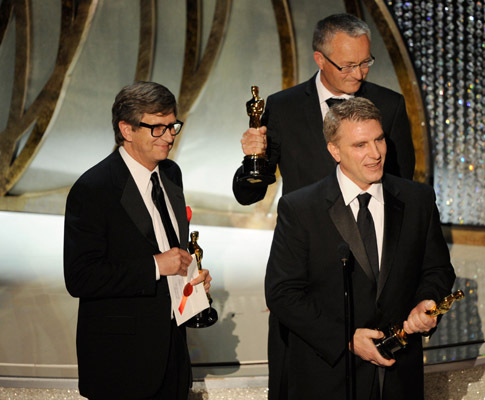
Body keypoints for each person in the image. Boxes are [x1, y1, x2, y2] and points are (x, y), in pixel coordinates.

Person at [264, 97, 455, 399]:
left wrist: (426, 302)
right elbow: (282, 293)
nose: (375, 153)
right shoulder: (300, 208)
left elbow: (437, 269)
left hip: (398, 377)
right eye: (360, 145)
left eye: (379, 140)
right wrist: (347, 340)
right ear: (334, 151)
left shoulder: (417, 199)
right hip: (329, 377)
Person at [64, 81, 212, 399]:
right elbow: (80, 277)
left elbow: (170, 245)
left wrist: (191, 277)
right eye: (157, 128)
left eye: (172, 125)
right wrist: (155, 266)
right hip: (121, 363)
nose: (170, 136)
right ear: (127, 130)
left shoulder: (171, 173)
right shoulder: (94, 188)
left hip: (172, 355)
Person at [233, 13, 415, 205]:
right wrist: (253, 158)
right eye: (348, 66)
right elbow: (249, 196)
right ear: (320, 59)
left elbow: (401, 186)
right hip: (303, 232)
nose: (359, 74)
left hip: (367, 231)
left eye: (365, 63)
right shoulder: (283, 108)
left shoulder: (390, 105)